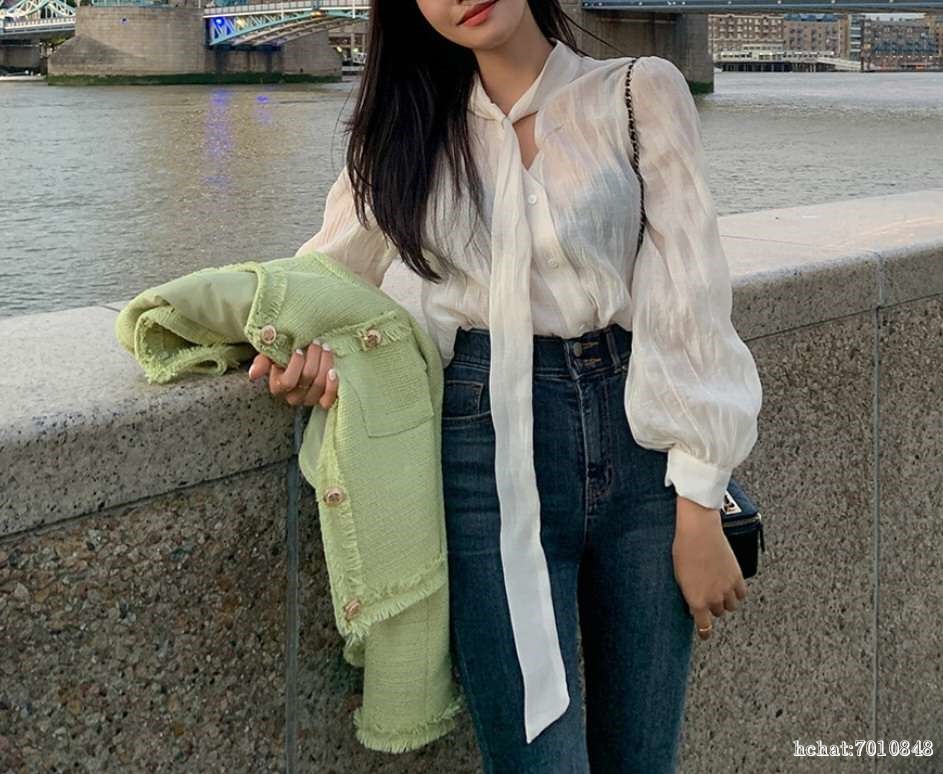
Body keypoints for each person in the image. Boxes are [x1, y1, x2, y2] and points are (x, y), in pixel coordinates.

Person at [248, 1, 763, 771]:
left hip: (642, 454)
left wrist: (698, 503)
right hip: (478, 454)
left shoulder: (635, 93)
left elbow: (688, 300)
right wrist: (299, 351)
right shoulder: (404, 130)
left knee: (642, 757)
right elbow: (325, 278)